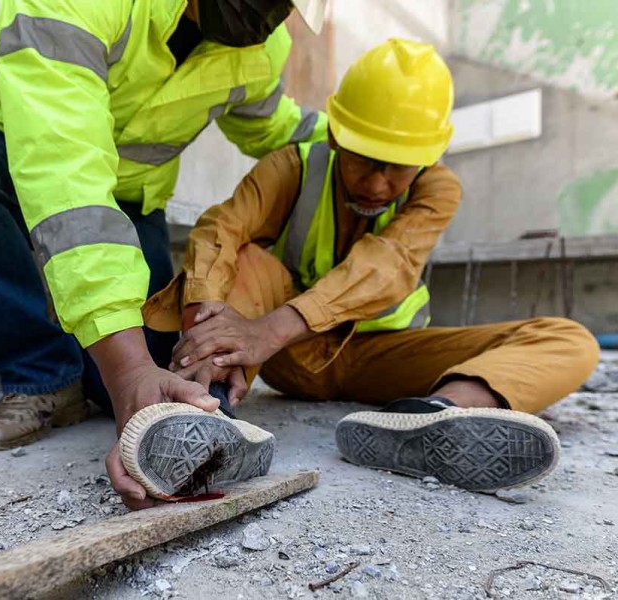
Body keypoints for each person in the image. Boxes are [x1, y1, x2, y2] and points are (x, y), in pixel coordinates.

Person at [0, 0, 328, 509]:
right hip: (4, 154)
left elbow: (272, 126)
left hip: (125, 202)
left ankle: (96, 380)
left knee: (151, 376)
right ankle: (43, 375)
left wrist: (368, 150)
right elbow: (64, 168)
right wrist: (126, 370)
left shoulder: (261, 43)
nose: (271, 13)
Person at [126, 39, 600, 498]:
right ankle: (207, 417)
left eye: (398, 168)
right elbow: (220, 229)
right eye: (365, 161)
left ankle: (434, 417)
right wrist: (204, 319)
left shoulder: (437, 190)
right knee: (239, 260)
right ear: (336, 136)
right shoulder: (291, 168)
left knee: (569, 340)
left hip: (380, 357)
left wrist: (266, 330)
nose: (378, 183)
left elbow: (385, 266)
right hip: (291, 358)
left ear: (428, 157)